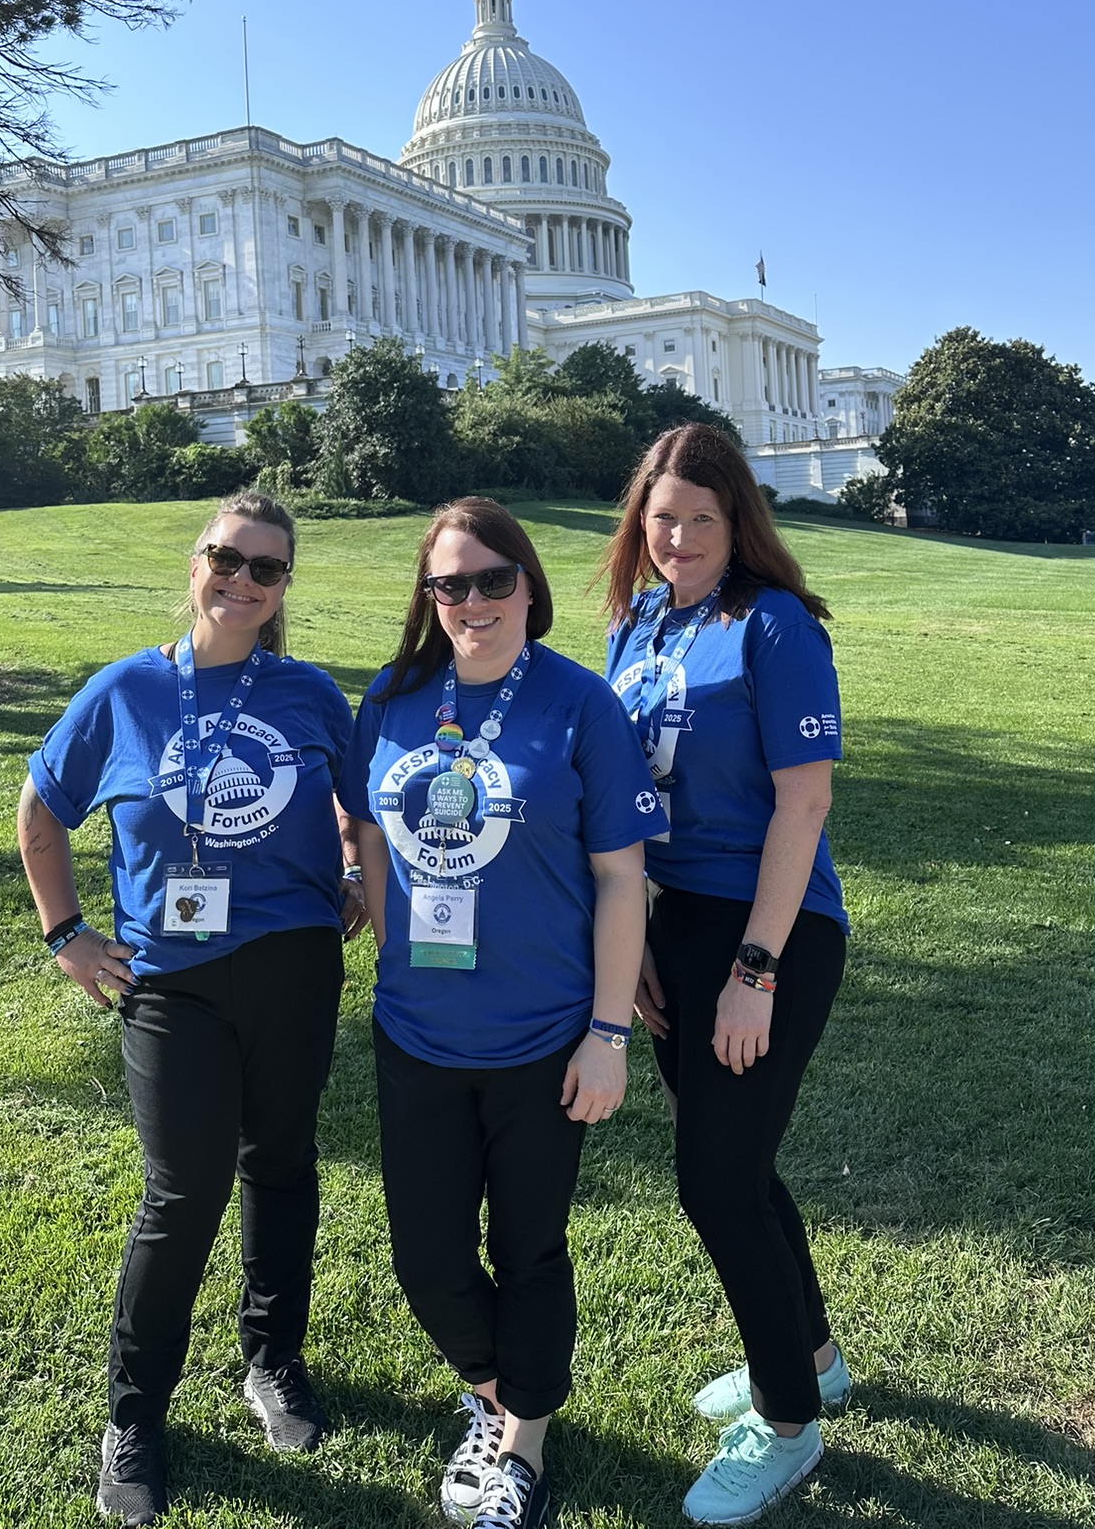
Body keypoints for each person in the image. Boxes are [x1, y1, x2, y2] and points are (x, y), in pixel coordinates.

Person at [17, 491, 367, 1528]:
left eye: (267, 568)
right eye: (229, 557)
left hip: (297, 964)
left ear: (284, 586)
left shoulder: (306, 692)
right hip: (171, 981)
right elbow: (41, 810)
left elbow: (361, 800)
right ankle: (135, 1417)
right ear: (197, 558)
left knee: (284, 1164)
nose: (244, 581)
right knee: (181, 1193)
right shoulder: (126, 690)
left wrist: (356, 865)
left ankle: (274, 1359)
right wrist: (65, 932)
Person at [338, 498, 650, 1529]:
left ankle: (520, 1446)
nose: (472, 600)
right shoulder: (393, 697)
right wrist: (377, 907)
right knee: (427, 1257)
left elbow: (619, 875)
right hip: (416, 1029)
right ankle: (504, 1390)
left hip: (543, 1037)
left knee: (529, 1248)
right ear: (429, 597)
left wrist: (608, 1033)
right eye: (450, 584)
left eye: (492, 579)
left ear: (529, 583)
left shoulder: (580, 704)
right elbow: (363, 818)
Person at [601, 426, 851, 1525]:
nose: (682, 536)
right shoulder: (638, 622)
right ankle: (818, 1353)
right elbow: (622, 796)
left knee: (714, 1178)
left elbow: (804, 803)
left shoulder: (773, 621)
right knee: (737, 1161)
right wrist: (642, 935)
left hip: (774, 924)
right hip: (677, 923)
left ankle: (789, 1421)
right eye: (664, 516)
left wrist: (757, 966)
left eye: (704, 517)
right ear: (640, 520)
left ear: (738, 519)